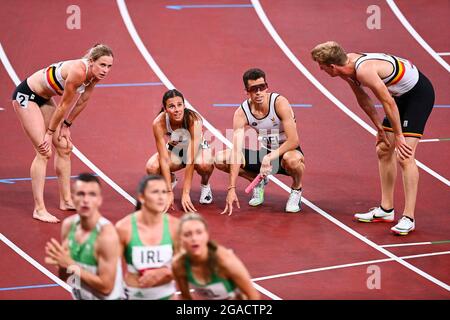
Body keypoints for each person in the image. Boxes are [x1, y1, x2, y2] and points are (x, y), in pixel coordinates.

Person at [311, 41, 435, 235]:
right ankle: (386, 210)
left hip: (417, 95)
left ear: (332, 66)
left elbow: (388, 102)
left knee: (404, 155)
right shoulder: (347, 69)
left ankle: (408, 217)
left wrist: (400, 136)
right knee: (384, 149)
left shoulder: (363, 71)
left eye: (321, 65)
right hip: (399, 96)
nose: (320, 69)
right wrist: (379, 127)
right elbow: (363, 99)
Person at [11, 44, 114, 223]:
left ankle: (66, 200)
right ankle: (39, 209)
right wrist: (49, 134)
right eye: (102, 65)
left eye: (109, 66)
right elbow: (64, 105)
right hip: (27, 96)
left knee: (65, 147)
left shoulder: (94, 75)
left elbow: (83, 101)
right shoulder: (78, 72)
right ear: (91, 62)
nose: (106, 70)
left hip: (43, 98)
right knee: (43, 151)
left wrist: (67, 125)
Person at [215, 68, 305, 215]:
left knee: (293, 161)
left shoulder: (279, 103)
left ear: (266, 87)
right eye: (253, 89)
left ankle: (296, 189)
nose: (258, 92)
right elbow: (236, 152)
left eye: (261, 87)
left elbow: (294, 140)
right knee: (221, 158)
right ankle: (258, 182)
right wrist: (231, 188)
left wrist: (269, 157)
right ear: (246, 91)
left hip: (287, 151)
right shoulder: (242, 113)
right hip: (265, 153)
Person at [44, 173, 123, 300]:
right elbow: (68, 278)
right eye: (81, 194)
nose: (86, 200)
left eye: (92, 194)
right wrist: (62, 264)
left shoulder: (106, 236)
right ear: (73, 197)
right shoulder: (69, 226)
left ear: (99, 200)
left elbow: (106, 288)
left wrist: (71, 264)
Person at [146, 89, 214, 212]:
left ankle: (205, 185)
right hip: (175, 150)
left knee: (205, 165)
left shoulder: (195, 120)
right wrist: (168, 191)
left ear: (184, 105)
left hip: (197, 151)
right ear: (165, 109)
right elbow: (163, 159)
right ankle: (171, 180)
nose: (177, 110)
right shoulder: (158, 123)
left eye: (179, 105)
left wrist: (185, 193)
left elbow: (191, 160)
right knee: (152, 167)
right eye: (171, 106)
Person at [115, 175, 180, 300]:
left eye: (164, 192)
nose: (161, 197)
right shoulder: (124, 228)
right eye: (155, 192)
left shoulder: (175, 227)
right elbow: (111, 270)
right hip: (134, 296)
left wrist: (165, 272)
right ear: (142, 197)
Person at [172, 212, 260, 300]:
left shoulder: (225, 261)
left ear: (207, 234)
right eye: (187, 234)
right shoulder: (179, 265)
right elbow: (186, 297)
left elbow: (253, 296)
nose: (194, 238)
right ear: (180, 239)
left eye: (199, 233)